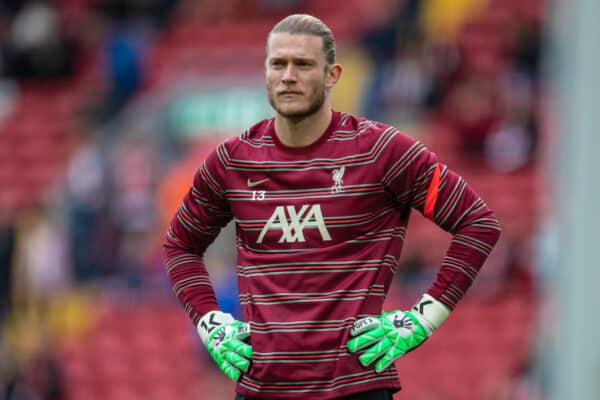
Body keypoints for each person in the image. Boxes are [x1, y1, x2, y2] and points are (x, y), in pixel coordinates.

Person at [163, 14, 501, 400]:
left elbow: (477, 223)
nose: (288, 75)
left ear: (332, 75)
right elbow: (179, 245)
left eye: (303, 64)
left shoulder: (382, 151)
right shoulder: (232, 161)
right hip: (262, 390)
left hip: (356, 389)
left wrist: (422, 318)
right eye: (278, 63)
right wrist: (208, 321)